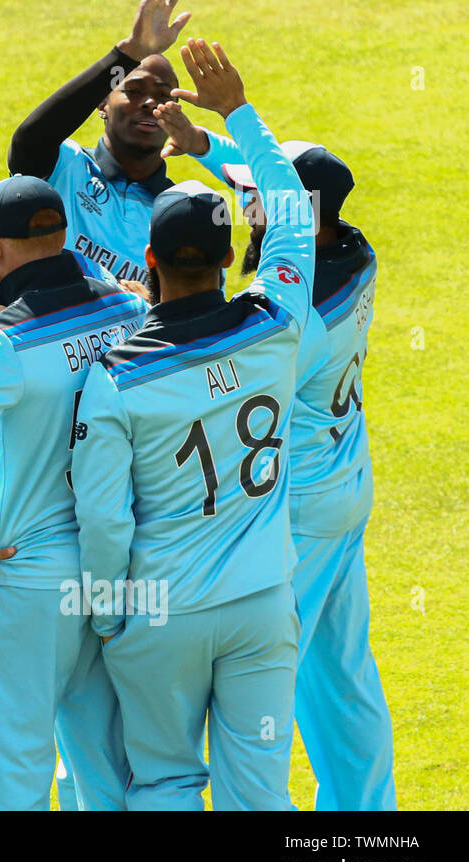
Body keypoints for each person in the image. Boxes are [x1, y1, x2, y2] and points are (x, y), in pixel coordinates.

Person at [72, 39, 313, 810]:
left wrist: (108, 617)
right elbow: (293, 211)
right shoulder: (278, 320)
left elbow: (106, 519)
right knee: (260, 795)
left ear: (147, 256)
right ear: (230, 255)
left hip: (159, 614)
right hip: (262, 604)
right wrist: (234, 114)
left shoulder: (115, 377)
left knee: (167, 784)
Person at [154, 109, 395, 810]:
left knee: (261, 688)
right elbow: (271, 183)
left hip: (298, 519)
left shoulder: (293, 324)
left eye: (258, 198)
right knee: (343, 679)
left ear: (298, 212)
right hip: (345, 491)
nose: (247, 205)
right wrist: (204, 146)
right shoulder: (353, 249)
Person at [0, 176, 146, 810]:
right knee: (107, 772)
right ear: (63, 234)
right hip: (116, 571)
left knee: (10, 775)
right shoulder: (130, 311)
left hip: (25, 585)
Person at [7, 0, 195, 284]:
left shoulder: (179, 209)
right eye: (133, 91)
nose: (150, 103)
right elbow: (29, 141)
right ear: (102, 103)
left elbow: (194, 305)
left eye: (164, 95)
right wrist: (132, 51)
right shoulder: (65, 166)